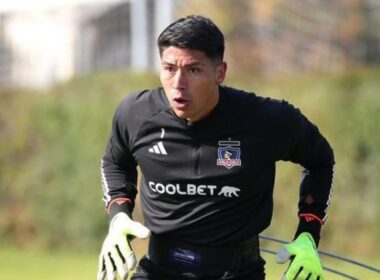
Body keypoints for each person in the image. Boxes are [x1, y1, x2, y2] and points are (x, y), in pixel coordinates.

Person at [97, 15, 334, 280]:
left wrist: (308, 234)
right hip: (158, 268)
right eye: (169, 68)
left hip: (236, 272)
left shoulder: (268, 120)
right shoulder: (135, 114)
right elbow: (116, 161)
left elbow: (321, 160)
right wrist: (118, 216)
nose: (178, 84)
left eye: (193, 70)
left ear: (220, 73)